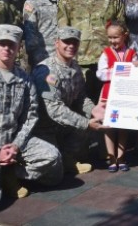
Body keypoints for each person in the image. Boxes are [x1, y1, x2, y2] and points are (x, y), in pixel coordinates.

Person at [0, 25, 63, 214]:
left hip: (15, 142)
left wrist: (15, 146)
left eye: (12, 45)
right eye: (3, 44)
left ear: (18, 48)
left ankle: (9, 172)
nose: (7, 48)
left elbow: (30, 116)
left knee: (52, 157)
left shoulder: (25, 79)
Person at [32, 27, 102, 176]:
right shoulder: (46, 70)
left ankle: (68, 157)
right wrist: (86, 123)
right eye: (66, 42)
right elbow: (54, 110)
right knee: (53, 173)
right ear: (56, 43)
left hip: (62, 125)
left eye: (74, 42)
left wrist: (95, 110)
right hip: (43, 129)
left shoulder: (75, 67)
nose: (71, 46)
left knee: (87, 128)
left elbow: (81, 98)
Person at [58, 0, 124, 103]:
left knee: (107, 99)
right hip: (79, 56)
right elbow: (63, 21)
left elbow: (120, 22)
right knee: (79, 100)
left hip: (106, 55)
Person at [96, 20, 137, 172]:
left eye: (116, 37)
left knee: (123, 125)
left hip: (125, 94)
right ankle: (111, 156)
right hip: (108, 94)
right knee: (109, 126)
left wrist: (135, 67)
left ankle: (121, 156)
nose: (113, 41)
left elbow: (136, 72)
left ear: (124, 36)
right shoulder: (106, 53)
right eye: (110, 38)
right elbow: (100, 74)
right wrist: (120, 71)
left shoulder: (132, 53)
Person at [23, 0, 63, 67]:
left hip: (65, 58)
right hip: (44, 60)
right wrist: (37, 62)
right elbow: (30, 36)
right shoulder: (33, 2)